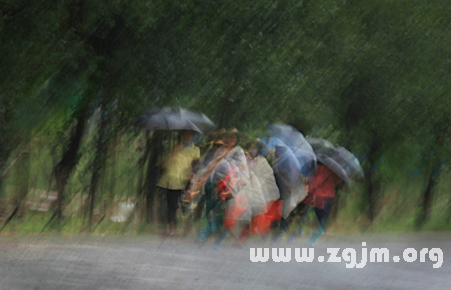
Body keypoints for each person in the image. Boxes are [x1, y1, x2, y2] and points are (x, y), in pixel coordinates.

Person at [157, 130, 200, 236]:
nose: (186, 136)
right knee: (171, 205)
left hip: (185, 181)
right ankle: (171, 228)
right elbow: (168, 160)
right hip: (171, 180)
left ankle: (187, 225)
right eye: (185, 134)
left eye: (189, 134)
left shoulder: (195, 150)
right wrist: (163, 163)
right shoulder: (176, 147)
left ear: (193, 136)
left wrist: (193, 174)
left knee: (185, 205)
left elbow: (196, 165)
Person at [301, 162, 343, 246]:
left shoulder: (321, 168)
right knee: (323, 220)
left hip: (321, 196)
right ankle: (313, 238)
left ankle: (313, 239)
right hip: (329, 195)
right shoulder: (335, 169)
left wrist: (310, 189)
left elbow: (317, 181)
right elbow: (338, 180)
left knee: (321, 219)